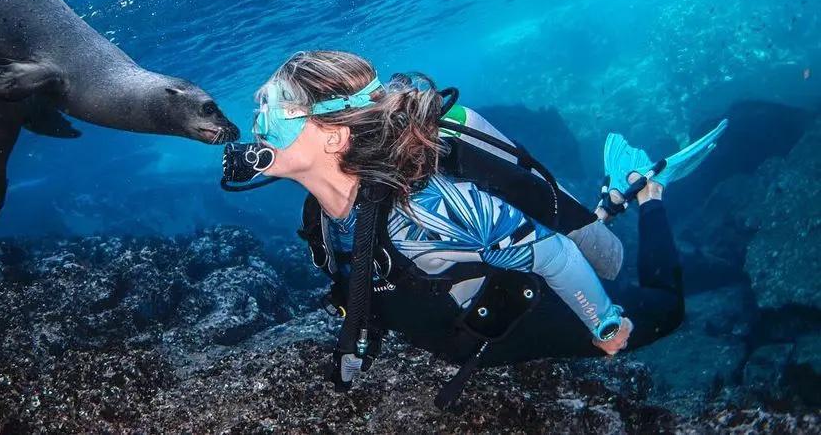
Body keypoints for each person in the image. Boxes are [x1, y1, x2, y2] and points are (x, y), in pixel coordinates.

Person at [221, 50, 723, 409]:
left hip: (518, 324)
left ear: (334, 137)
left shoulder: (431, 205)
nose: (258, 126)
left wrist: (604, 324)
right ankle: (607, 206)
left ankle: (649, 193)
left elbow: (553, 256)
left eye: (274, 112)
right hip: (465, 335)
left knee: (667, 307)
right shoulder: (321, 216)